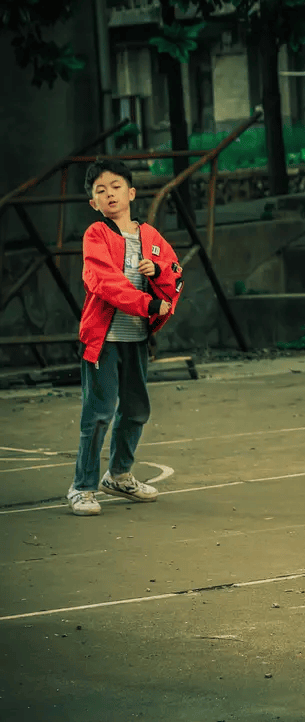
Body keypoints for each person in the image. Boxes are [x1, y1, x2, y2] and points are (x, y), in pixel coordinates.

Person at [66, 158, 184, 516]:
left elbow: (175, 274)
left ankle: (118, 475)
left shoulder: (151, 237)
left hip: (135, 339)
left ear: (131, 193)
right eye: (100, 191)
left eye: (116, 187)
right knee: (99, 413)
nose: (110, 194)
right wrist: (147, 304)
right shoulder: (96, 235)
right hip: (103, 340)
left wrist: (157, 271)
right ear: (93, 203)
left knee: (136, 410)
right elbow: (104, 282)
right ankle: (82, 487)